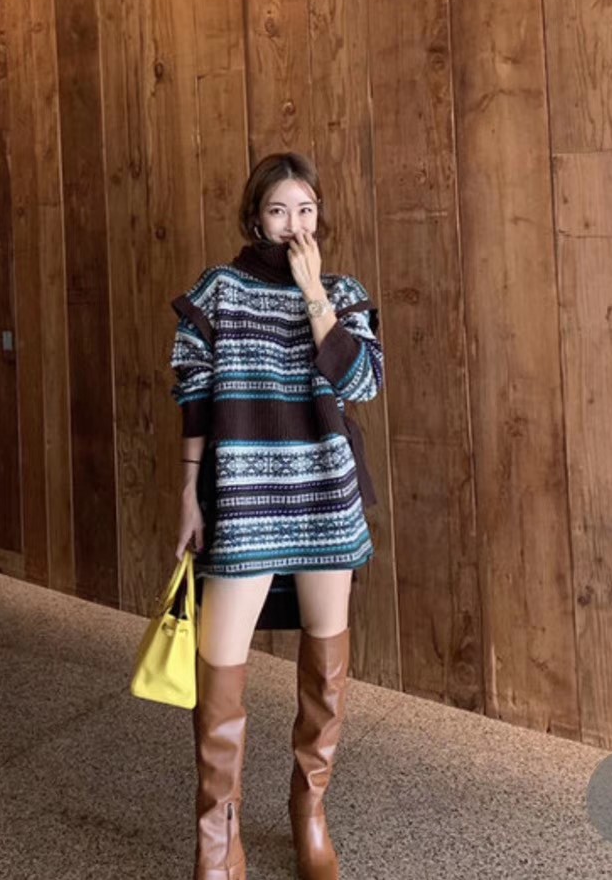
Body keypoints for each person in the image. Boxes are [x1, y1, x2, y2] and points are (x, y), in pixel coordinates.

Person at [169, 152, 384, 880]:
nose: (294, 224)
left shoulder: (344, 293)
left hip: (325, 492)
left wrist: (315, 293)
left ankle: (309, 811)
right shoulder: (219, 290)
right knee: (219, 668)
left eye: (306, 209)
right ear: (255, 217)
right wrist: (189, 494)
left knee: (326, 664)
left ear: (320, 215)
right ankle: (218, 838)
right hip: (245, 496)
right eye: (279, 210)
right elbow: (194, 399)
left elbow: (362, 381)